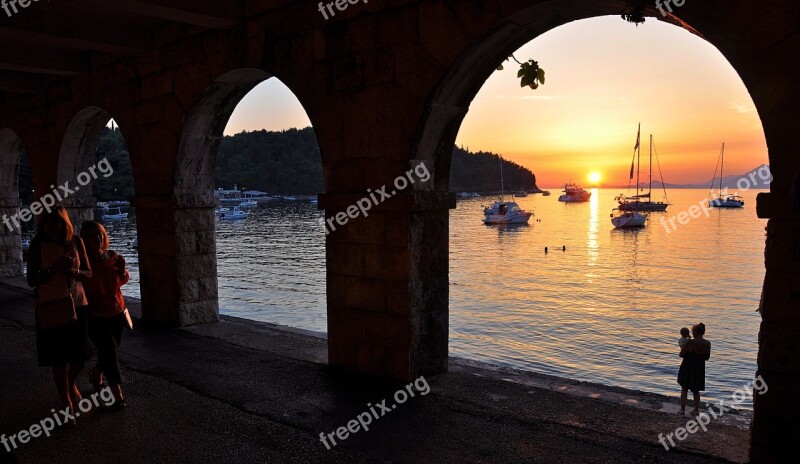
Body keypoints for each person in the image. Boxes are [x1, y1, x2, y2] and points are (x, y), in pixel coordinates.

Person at [26, 207, 92, 425]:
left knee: (80, 355)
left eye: (57, 222)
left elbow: (88, 273)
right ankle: (67, 403)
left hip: (78, 303)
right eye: (48, 222)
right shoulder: (37, 246)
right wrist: (55, 268)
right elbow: (32, 279)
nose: (53, 227)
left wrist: (74, 272)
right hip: (52, 305)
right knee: (58, 358)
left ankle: (70, 384)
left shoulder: (75, 242)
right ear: (43, 225)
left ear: (65, 223)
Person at [80, 221, 130, 410]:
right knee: (110, 351)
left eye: (100, 234)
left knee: (109, 350)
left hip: (117, 313)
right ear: (84, 238)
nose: (98, 238)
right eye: (93, 235)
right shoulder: (82, 263)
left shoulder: (112, 256)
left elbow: (120, 282)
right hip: (95, 316)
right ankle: (117, 396)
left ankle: (97, 372)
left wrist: (122, 271)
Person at [677, 323, 710, 415]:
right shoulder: (707, 343)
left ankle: (682, 409)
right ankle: (696, 410)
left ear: (696, 332)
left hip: (687, 366)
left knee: (684, 388)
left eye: (692, 331)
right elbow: (707, 357)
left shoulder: (690, 342)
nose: (692, 333)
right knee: (696, 391)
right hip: (699, 368)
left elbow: (681, 354)